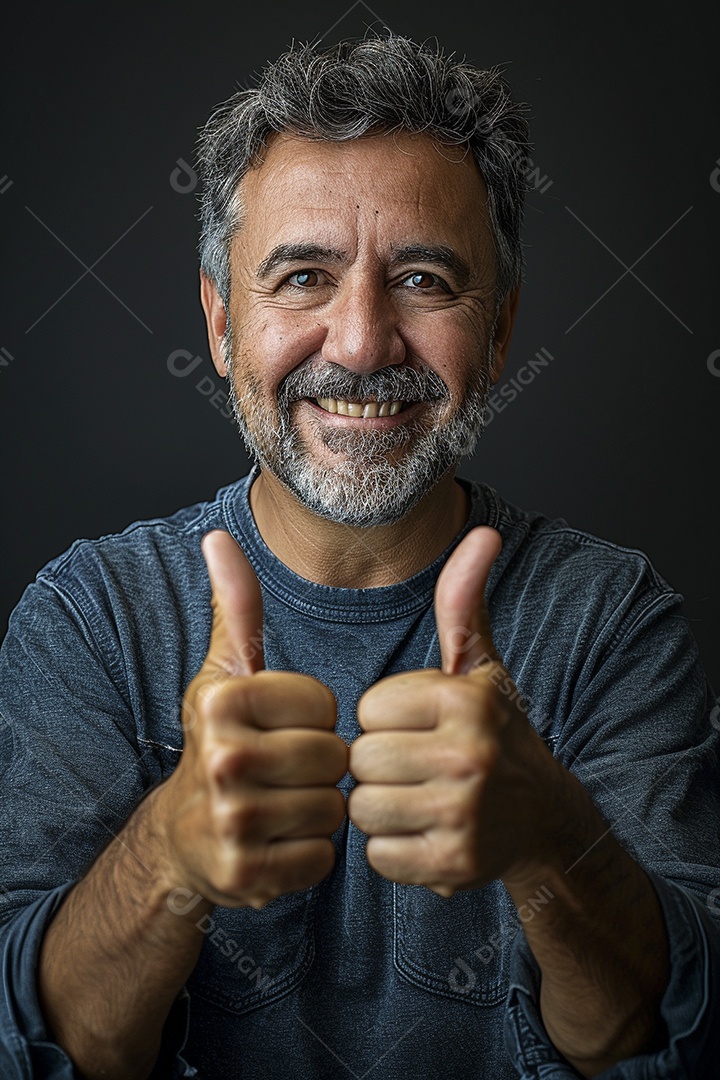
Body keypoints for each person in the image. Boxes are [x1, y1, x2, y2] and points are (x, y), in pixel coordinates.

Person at [0, 33, 718, 1080]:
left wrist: (552, 844)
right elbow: (41, 1051)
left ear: (502, 330)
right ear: (219, 322)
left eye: (424, 279)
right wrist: (169, 858)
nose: (361, 343)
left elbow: (661, 1044)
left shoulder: (610, 619)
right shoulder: (89, 617)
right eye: (301, 276)